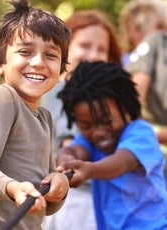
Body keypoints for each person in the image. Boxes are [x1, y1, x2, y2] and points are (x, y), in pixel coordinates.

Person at [0, 0, 71, 229]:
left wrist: (59, 187)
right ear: (0, 62)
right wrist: (13, 188)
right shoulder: (3, 98)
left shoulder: (44, 118)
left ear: (61, 69)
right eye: (25, 51)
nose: (38, 62)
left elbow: (43, 201)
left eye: (51, 55)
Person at [57, 61, 167, 230]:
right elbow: (73, 150)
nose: (98, 132)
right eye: (86, 126)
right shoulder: (91, 141)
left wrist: (89, 170)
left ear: (127, 109)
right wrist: (66, 161)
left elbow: (122, 162)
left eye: (106, 121)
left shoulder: (141, 133)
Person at [41, 9, 121, 230]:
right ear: (65, 48)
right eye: (85, 45)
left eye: (101, 49)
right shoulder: (61, 88)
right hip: (77, 203)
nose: (94, 55)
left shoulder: (103, 100)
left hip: (104, 201)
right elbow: (69, 144)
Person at [119, 0, 167, 155]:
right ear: (135, 30)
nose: (164, 34)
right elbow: (136, 92)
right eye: (160, 27)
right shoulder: (155, 40)